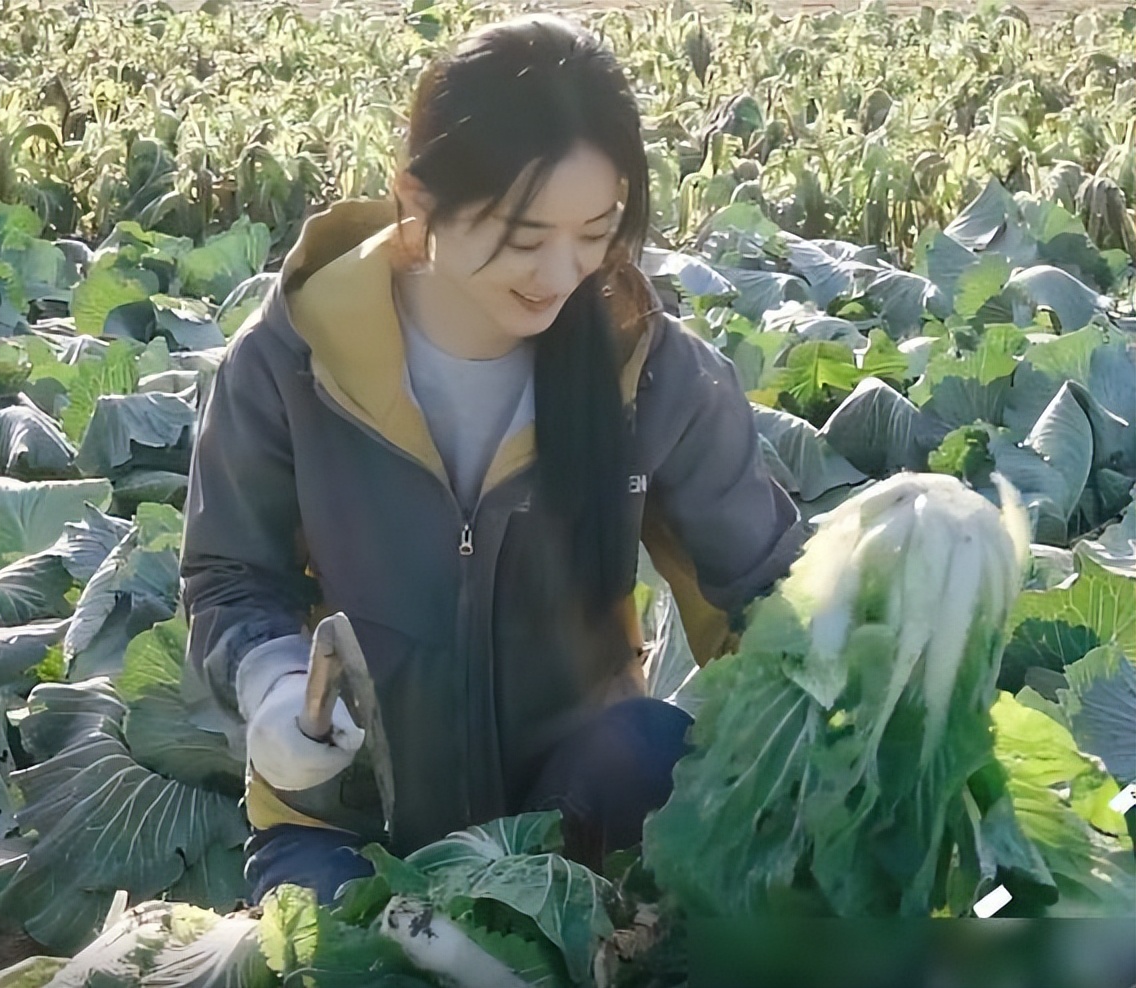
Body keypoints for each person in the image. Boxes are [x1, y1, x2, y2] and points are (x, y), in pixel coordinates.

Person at [180, 14, 805, 908]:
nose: (561, 272)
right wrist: (273, 684)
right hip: (349, 821)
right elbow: (230, 574)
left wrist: (875, 693)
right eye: (523, 235)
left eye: (597, 230)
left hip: (580, 805)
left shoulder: (654, 373)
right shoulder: (291, 360)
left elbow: (765, 591)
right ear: (419, 200)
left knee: (654, 750)